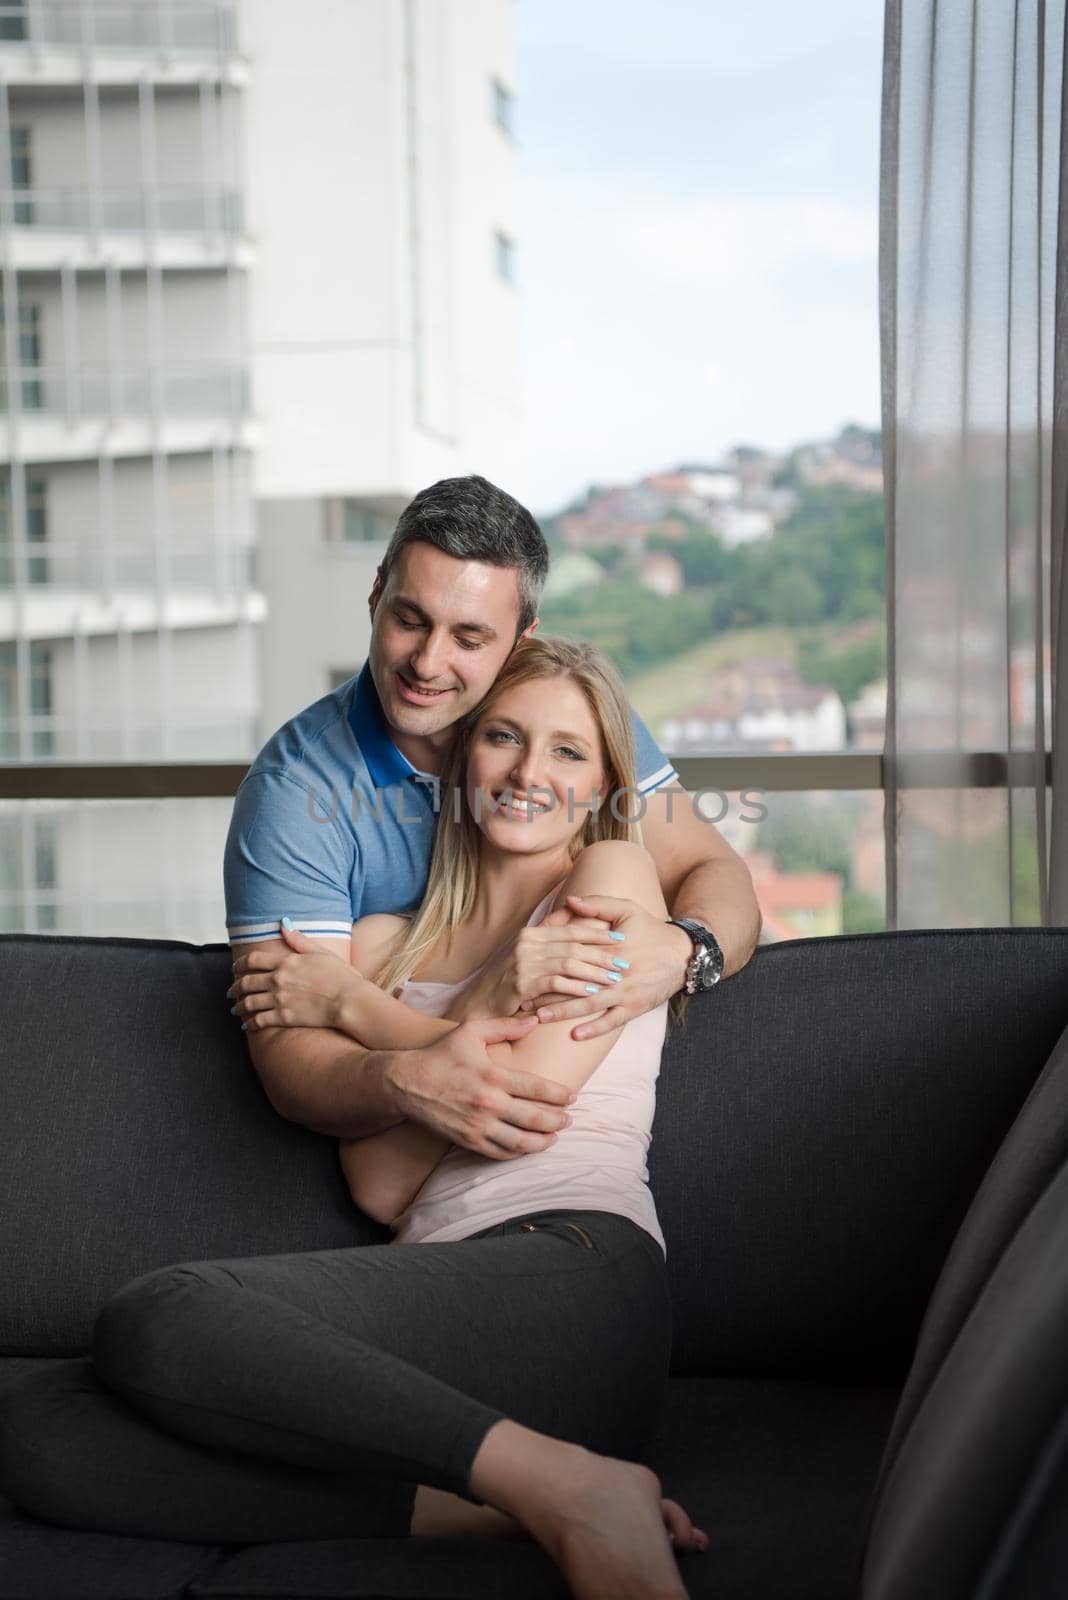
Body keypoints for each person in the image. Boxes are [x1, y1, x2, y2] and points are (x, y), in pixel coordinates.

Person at [2, 635, 708, 1600]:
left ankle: (575, 1488)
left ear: (602, 786)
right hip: (440, 1321)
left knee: (159, 1313)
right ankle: (531, 1500)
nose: (530, 772)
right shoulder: (387, 938)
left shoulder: (611, 881)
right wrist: (469, 1006)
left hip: (577, 1283)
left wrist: (354, 1011)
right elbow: (380, 1184)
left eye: (569, 752)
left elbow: (514, 1109)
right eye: (504, 736)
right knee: (44, 1430)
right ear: (463, 757)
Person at [223, 474, 761, 1172]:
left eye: (469, 637)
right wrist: (411, 1083)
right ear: (375, 595)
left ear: (520, 640)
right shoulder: (296, 792)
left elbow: (712, 871)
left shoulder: (568, 715)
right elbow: (294, 1061)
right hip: (392, 1164)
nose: (427, 662)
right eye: (410, 619)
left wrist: (687, 953)